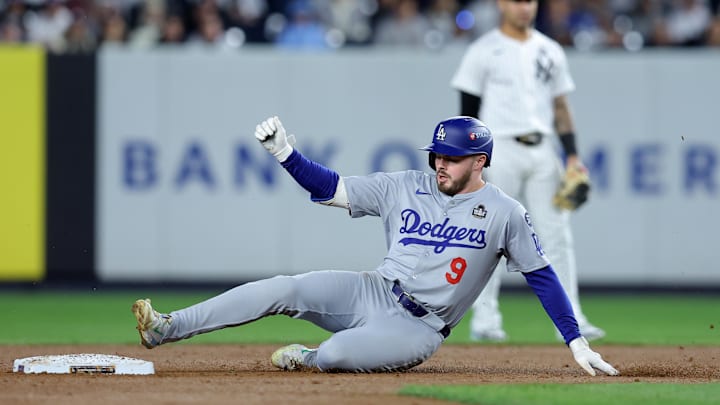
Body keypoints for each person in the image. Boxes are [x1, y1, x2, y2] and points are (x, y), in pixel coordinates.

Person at [131, 115, 618, 376]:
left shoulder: (506, 212)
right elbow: (333, 189)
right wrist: (285, 154)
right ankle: (166, 328)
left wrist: (575, 341)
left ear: (480, 161)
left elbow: (541, 275)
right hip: (373, 289)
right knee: (284, 287)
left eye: (451, 157)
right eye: (436, 155)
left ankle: (309, 358)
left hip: (419, 327)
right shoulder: (404, 184)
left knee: (338, 355)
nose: (440, 164)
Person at [450, 0, 605, 342]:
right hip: (498, 148)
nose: (525, 7)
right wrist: (469, 160)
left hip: (542, 148)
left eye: (530, 1)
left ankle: (572, 319)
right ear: (501, 4)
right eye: (517, 0)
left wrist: (573, 155)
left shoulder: (549, 49)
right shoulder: (483, 50)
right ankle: (485, 320)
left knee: (557, 237)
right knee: (488, 236)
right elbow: (467, 114)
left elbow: (561, 107)